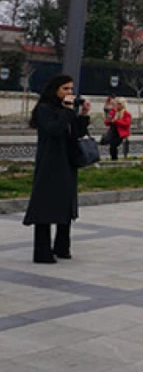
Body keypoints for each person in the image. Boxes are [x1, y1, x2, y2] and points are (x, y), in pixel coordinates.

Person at [23, 75, 91, 264]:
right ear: (55, 90)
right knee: (45, 207)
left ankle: (62, 247)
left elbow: (77, 133)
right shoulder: (44, 110)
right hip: (50, 164)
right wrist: (68, 111)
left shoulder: (65, 111)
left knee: (64, 205)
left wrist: (83, 115)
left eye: (71, 89)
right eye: (65, 89)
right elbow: (54, 129)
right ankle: (42, 252)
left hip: (67, 163)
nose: (69, 93)